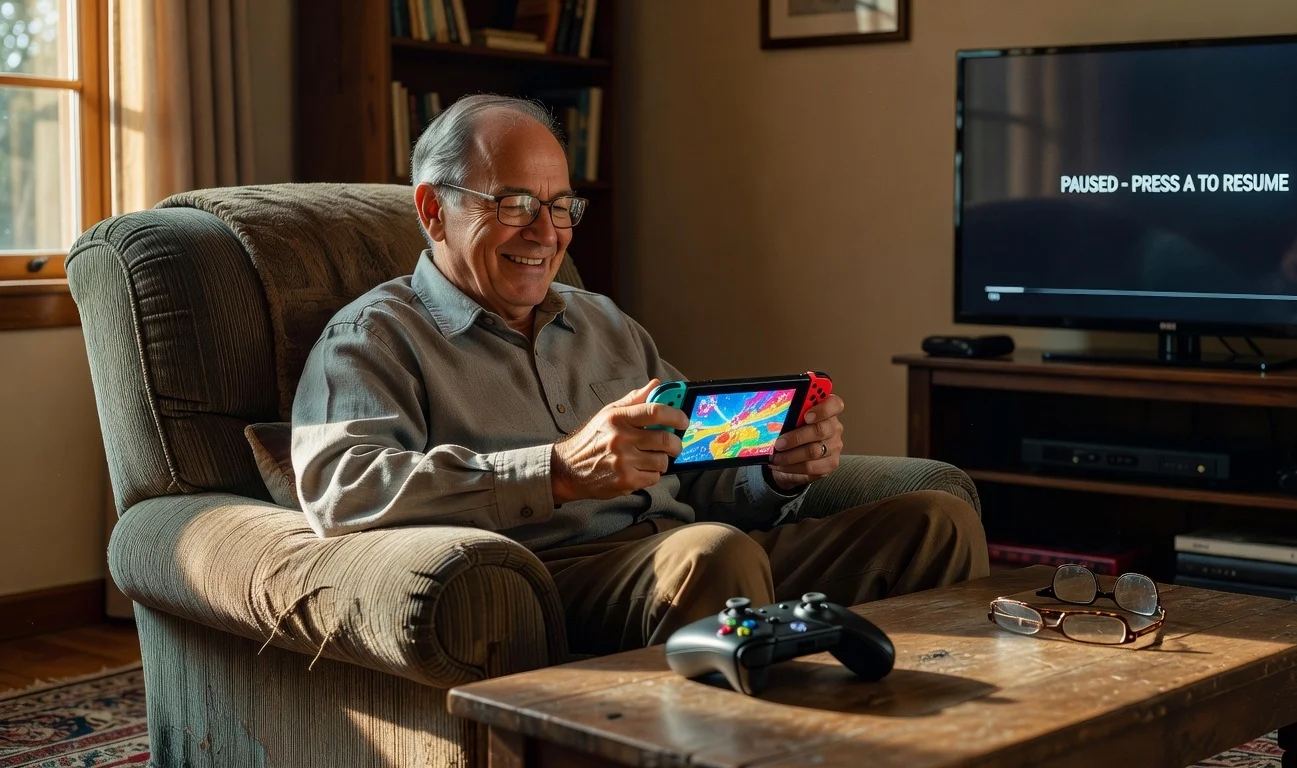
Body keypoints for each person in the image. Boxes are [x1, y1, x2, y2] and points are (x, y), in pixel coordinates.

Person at [291, 94, 988, 655]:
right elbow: (342, 491)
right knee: (710, 553)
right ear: (433, 210)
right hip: (552, 578)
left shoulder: (603, 324)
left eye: (561, 206)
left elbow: (690, 466)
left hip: (691, 556)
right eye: (513, 205)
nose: (546, 233)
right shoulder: (375, 337)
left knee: (937, 521)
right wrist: (558, 470)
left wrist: (772, 469)